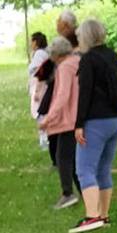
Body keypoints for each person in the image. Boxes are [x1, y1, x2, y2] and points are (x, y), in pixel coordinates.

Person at [72, 17, 117, 233]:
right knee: (103, 168)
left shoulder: (89, 60)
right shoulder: (111, 56)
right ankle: (104, 215)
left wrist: (79, 124)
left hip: (96, 120)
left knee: (85, 168)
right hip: (116, 118)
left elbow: (84, 93)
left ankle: (92, 215)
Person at [38, 36, 80, 210]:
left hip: (68, 119)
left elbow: (62, 95)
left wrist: (48, 118)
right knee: (75, 159)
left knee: (63, 157)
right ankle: (84, 192)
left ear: (56, 54)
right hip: (79, 116)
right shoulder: (78, 61)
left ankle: (67, 193)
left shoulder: (64, 68)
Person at [26, 32, 50, 151]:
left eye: (32, 41)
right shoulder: (42, 53)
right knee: (41, 112)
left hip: (39, 87)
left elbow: (39, 72)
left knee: (40, 112)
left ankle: (44, 139)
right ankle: (44, 138)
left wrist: (37, 91)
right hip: (39, 86)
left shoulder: (40, 54)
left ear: (36, 42)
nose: (31, 44)